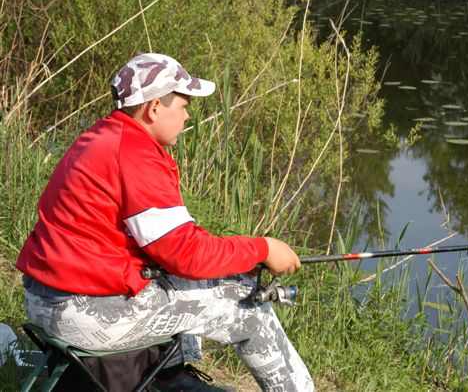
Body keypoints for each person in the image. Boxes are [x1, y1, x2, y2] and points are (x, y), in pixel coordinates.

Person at [16, 53, 314, 391]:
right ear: (155, 107)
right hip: (79, 313)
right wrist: (263, 248)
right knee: (248, 307)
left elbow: (171, 247)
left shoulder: (102, 137)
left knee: (201, 281)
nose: (187, 116)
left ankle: (167, 376)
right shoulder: (134, 154)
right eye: (184, 106)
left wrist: (236, 262)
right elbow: (188, 256)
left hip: (44, 301)